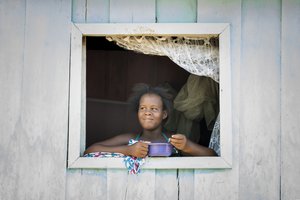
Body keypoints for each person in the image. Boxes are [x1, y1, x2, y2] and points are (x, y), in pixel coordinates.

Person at [84, 83, 217, 158]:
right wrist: (128, 150)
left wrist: (188, 146)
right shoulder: (128, 139)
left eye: (154, 108)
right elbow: (90, 150)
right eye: (143, 108)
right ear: (138, 112)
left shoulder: (173, 140)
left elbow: (212, 156)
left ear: (164, 114)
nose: (147, 112)